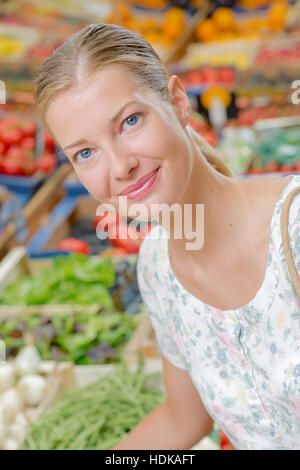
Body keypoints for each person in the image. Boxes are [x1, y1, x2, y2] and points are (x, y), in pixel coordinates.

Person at [34, 23, 300, 450]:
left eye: (130, 121)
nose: (119, 166)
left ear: (177, 103)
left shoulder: (294, 229)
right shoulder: (159, 269)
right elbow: (183, 420)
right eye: (85, 152)